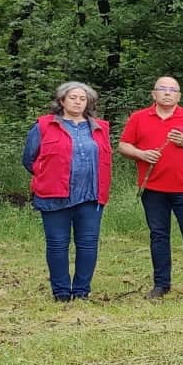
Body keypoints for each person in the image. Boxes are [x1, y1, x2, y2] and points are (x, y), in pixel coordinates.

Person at [117, 75, 183, 298]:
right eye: (162, 89)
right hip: (153, 188)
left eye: (172, 90)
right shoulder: (139, 117)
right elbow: (123, 145)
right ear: (154, 94)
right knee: (159, 235)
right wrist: (141, 154)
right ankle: (161, 284)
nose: (167, 93)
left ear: (179, 96)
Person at [22, 81, 112, 302]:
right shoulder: (44, 125)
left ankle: (81, 291)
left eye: (83, 99)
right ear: (62, 101)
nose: (78, 102)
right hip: (54, 195)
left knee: (88, 244)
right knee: (57, 244)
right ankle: (61, 292)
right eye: (73, 98)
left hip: (91, 196)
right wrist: (46, 174)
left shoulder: (100, 127)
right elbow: (29, 159)